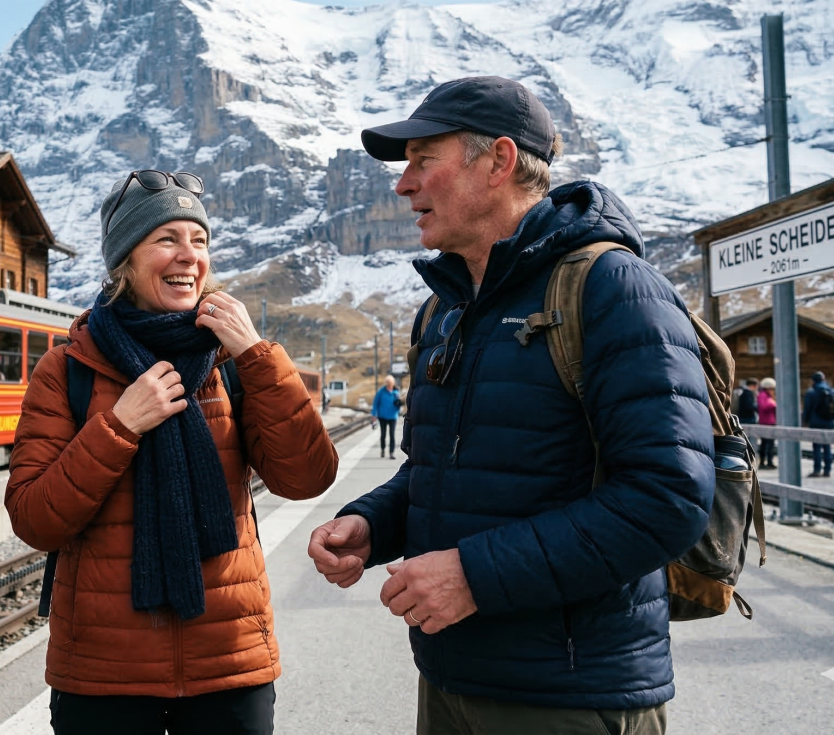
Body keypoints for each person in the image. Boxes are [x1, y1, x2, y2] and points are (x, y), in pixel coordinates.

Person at [306, 76, 713, 735]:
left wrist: (473, 575)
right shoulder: (446, 310)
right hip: (451, 679)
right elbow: (440, 469)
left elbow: (668, 497)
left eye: (422, 161)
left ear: (498, 161)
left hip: (571, 697)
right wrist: (373, 524)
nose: (403, 185)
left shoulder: (612, 289)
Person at [7, 171, 338, 735]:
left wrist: (258, 357)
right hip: (104, 676)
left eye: (200, 240)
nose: (189, 255)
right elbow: (35, 518)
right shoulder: (68, 369)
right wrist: (119, 427)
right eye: (167, 239)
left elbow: (307, 478)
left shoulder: (233, 363)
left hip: (229, 664)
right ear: (124, 262)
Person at [802, 371, 834, 478]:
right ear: (823, 379)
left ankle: (817, 470)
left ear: (813, 381)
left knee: (816, 447)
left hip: (815, 422)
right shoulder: (833, 391)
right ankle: (827, 470)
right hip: (829, 422)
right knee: (827, 446)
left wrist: (805, 421)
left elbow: (807, 409)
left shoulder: (811, 392)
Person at [372, 375, 403, 458]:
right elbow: (375, 403)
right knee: (383, 434)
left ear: (393, 383)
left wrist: (399, 405)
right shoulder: (381, 392)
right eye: (388, 383)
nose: (389, 385)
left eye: (390, 383)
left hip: (393, 416)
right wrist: (374, 415)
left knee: (392, 435)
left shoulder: (396, 392)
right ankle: (382, 449)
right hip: (383, 416)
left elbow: (399, 404)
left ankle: (391, 453)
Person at [756, 377, 778, 469]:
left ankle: (769, 461)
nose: (773, 391)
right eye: (772, 389)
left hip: (770, 422)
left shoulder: (767, 396)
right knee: (766, 444)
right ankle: (763, 462)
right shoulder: (763, 395)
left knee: (770, 444)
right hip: (766, 422)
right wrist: (773, 404)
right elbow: (764, 406)